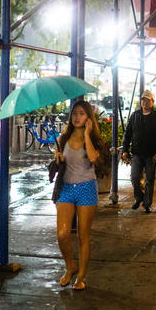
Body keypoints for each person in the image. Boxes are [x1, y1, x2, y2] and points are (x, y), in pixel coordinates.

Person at [54, 100, 102, 291]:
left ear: (88, 117)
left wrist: (88, 135)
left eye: (82, 113)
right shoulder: (64, 138)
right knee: (62, 234)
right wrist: (57, 157)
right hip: (66, 187)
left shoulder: (94, 138)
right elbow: (59, 161)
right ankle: (70, 266)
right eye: (74, 113)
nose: (77, 117)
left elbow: (92, 157)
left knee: (83, 235)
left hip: (86, 188)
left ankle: (81, 275)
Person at [122, 90, 156, 213]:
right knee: (135, 177)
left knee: (149, 180)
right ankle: (139, 197)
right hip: (136, 152)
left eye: (147, 100)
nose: (144, 102)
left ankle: (147, 204)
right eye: (143, 100)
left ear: (152, 102)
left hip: (151, 154)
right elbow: (128, 134)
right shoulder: (135, 115)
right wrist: (125, 150)